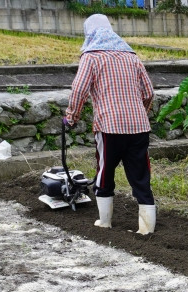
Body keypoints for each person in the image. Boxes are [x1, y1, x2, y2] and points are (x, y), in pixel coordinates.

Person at [64, 14, 156, 235]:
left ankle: (105, 222)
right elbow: (149, 92)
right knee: (140, 177)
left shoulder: (91, 57)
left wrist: (71, 117)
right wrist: (138, 113)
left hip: (109, 128)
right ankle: (146, 229)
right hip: (139, 127)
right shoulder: (131, 56)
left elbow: (79, 90)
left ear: (90, 33)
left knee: (105, 174)